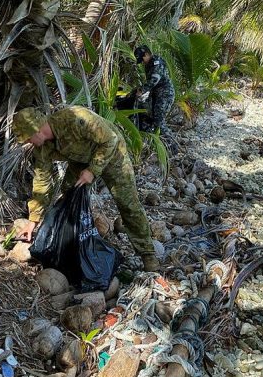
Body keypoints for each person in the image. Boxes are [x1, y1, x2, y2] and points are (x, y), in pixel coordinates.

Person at [12, 106, 160, 272]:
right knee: (69, 201)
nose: (27, 143)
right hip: (81, 161)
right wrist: (33, 221)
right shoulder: (42, 149)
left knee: (128, 204)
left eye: (27, 139)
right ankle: (72, 248)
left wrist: (92, 170)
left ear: (36, 130)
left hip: (113, 155)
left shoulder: (75, 118)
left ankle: (148, 254)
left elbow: (110, 140)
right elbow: (42, 182)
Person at [134, 45, 175, 135]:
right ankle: (156, 141)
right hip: (156, 95)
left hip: (165, 95)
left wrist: (141, 91)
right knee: (151, 118)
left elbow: (154, 80)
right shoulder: (149, 64)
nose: (142, 63)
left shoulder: (157, 63)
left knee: (159, 121)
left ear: (147, 54)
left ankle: (172, 145)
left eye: (142, 59)